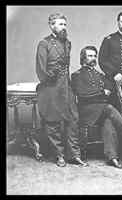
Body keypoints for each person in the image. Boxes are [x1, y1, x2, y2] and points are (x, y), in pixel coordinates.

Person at [71, 46, 122, 169]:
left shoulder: (99, 74)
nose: (93, 58)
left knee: (108, 121)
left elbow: (109, 86)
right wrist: (101, 93)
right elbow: (83, 94)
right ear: (83, 58)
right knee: (109, 108)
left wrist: (104, 91)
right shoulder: (77, 75)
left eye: (94, 56)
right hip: (86, 111)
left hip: (100, 111)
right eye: (90, 56)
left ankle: (112, 157)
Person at [35, 13, 87, 167]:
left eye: (65, 24)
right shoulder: (44, 43)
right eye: (60, 24)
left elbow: (66, 68)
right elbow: (40, 69)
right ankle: (59, 155)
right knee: (53, 122)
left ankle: (74, 155)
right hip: (50, 88)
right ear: (52, 26)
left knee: (73, 119)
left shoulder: (67, 43)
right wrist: (51, 79)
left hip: (66, 87)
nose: (64, 27)